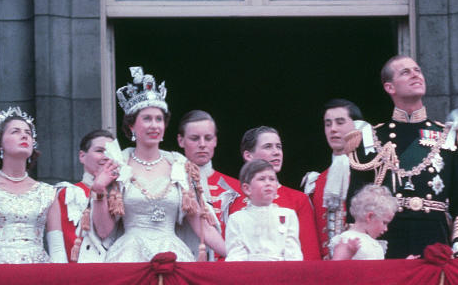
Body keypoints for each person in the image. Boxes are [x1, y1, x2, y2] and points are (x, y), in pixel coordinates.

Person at [346, 55, 458, 258]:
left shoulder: (449, 137)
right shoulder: (371, 138)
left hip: (435, 240)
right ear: (390, 87)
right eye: (405, 72)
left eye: (418, 70)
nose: (415, 75)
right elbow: (355, 203)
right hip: (385, 242)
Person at [92, 66, 225, 263]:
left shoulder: (180, 166)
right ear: (131, 126)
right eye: (147, 119)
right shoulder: (118, 166)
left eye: (159, 119)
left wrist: (235, 255)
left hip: (174, 255)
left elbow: (201, 226)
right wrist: (99, 190)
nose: (154, 125)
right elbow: (104, 231)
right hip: (128, 256)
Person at [0, 108, 65, 263]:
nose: (24, 135)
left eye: (28, 132)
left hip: (41, 272)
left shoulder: (48, 192)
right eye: (15, 131)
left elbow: (58, 249)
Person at [239, 126, 320, 260]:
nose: (276, 152)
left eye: (279, 146)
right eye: (268, 147)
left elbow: (310, 255)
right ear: (248, 155)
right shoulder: (233, 198)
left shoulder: (298, 199)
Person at [301, 98, 362, 259]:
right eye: (328, 124)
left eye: (340, 122)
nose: (333, 129)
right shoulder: (316, 182)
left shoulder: (371, 172)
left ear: (357, 126)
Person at [176, 110, 241, 245]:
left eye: (208, 138)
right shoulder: (171, 184)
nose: (202, 144)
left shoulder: (236, 188)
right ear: (180, 141)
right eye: (194, 138)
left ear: (215, 141)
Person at [55, 129, 115, 262]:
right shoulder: (69, 194)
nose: (106, 157)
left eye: (111, 152)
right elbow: (67, 241)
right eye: (100, 151)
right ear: (82, 156)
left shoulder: (121, 195)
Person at [224, 159, 302, 262]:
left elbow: (293, 254)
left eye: (272, 179)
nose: (268, 183)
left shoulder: (288, 216)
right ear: (247, 188)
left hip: (282, 273)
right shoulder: (237, 219)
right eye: (262, 179)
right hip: (249, 273)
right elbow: (236, 257)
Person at [331, 184, 397, 261]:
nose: (386, 229)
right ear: (369, 217)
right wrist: (347, 255)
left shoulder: (374, 244)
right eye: (384, 223)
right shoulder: (346, 240)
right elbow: (335, 268)